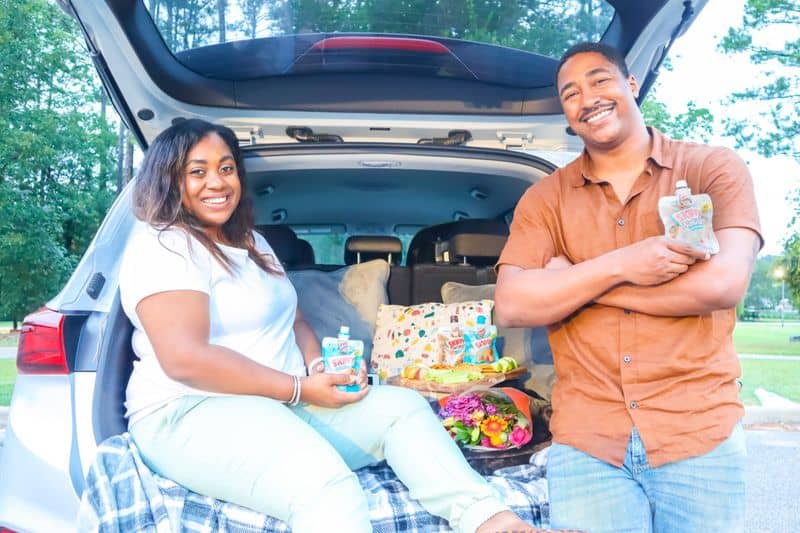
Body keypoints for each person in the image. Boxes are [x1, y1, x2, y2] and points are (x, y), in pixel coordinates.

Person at [118, 118, 539, 533]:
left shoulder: (252, 242)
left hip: (279, 402)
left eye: (226, 168)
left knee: (402, 408)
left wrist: (317, 368)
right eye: (198, 171)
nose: (218, 182)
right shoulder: (166, 245)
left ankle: (493, 522)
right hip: (191, 410)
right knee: (328, 488)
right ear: (168, 179)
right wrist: (299, 389)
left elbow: (295, 320)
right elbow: (185, 359)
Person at [494, 42, 762, 533]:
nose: (587, 97)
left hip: (699, 433)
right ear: (565, 112)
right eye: (570, 92)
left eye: (600, 80)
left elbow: (724, 284)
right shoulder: (543, 199)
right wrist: (624, 263)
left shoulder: (712, 168)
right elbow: (511, 305)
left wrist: (574, 280)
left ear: (631, 84)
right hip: (588, 442)